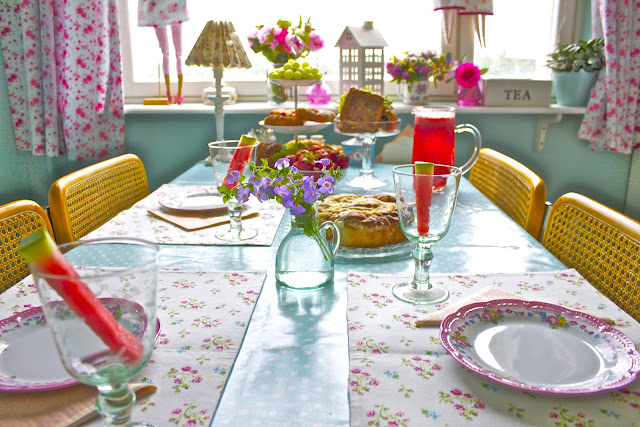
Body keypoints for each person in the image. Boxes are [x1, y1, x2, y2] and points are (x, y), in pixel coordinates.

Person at [138, 0, 189, 104]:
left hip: (165, 10)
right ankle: (173, 92)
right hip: (163, 10)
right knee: (174, 53)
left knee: (171, 53)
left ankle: (175, 92)